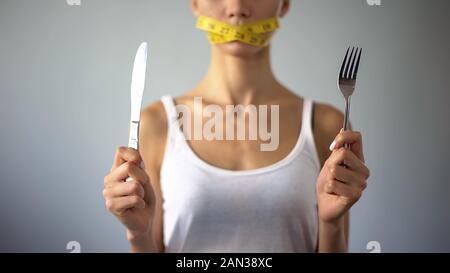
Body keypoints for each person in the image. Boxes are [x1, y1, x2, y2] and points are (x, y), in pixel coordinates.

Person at [103, 0, 370, 253]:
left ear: (284, 3)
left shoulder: (326, 125)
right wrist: (138, 235)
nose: (237, 8)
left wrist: (331, 223)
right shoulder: (156, 123)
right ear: (195, 3)